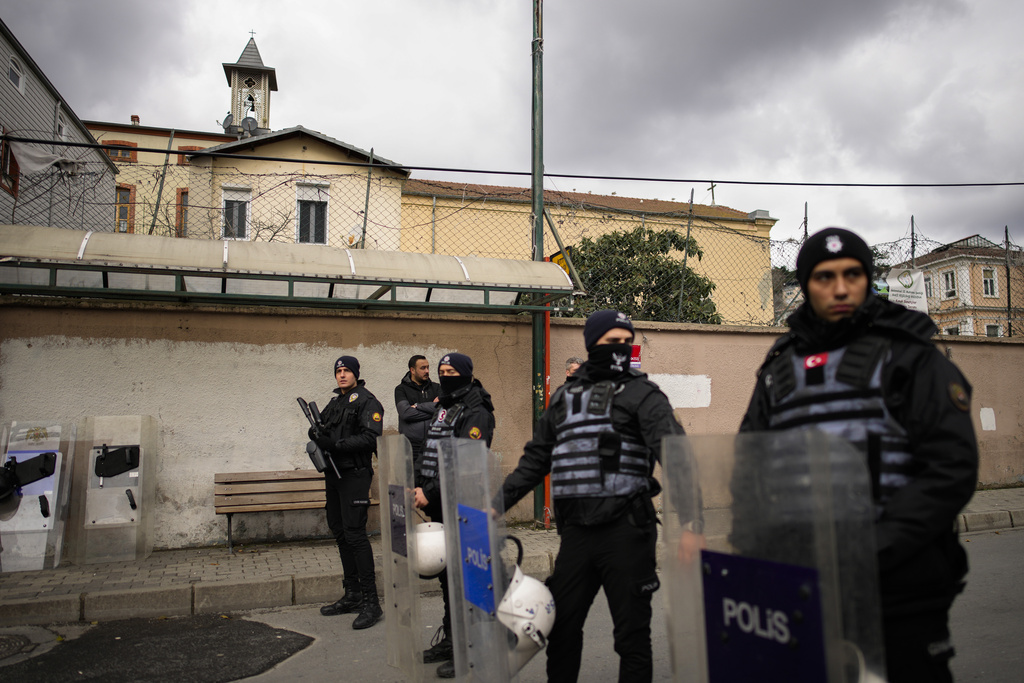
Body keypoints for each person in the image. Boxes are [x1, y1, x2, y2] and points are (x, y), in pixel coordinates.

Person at [739, 228, 978, 683]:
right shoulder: (778, 367)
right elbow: (750, 468)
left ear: (867, 278)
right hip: (804, 584)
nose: (841, 287)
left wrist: (871, 549)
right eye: (825, 277)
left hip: (898, 585)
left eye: (853, 274)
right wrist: (756, 558)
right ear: (806, 285)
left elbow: (950, 469)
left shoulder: (909, 354)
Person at [499, 310, 688, 683]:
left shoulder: (643, 393)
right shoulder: (564, 398)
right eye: (610, 342)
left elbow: (677, 457)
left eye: (626, 341)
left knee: (631, 637)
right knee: (563, 630)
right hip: (577, 536)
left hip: (627, 532)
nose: (620, 348)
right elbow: (535, 462)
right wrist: (493, 506)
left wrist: (693, 522)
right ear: (590, 344)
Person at [412, 352, 495, 679]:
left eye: (452, 372)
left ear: (466, 374)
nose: (446, 376)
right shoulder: (445, 404)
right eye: (442, 371)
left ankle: (471, 646)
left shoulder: (477, 411)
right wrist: (418, 484)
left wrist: (428, 491)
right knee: (449, 580)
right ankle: (452, 639)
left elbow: (463, 462)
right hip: (438, 502)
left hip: (463, 505)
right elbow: (430, 447)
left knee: (465, 580)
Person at [308, 355, 385, 630]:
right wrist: (316, 434)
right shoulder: (334, 402)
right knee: (340, 532)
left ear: (356, 374)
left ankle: (371, 603)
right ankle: (352, 594)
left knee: (355, 535)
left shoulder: (367, 401)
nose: (341, 375)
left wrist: (336, 444)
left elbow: (371, 437)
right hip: (334, 475)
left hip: (354, 474)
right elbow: (324, 431)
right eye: (338, 371)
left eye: (346, 371)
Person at [394, 354, 441, 459]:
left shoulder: (437, 388)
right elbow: (406, 413)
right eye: (423, 368)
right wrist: (432, 409)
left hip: (433, 444)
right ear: (412, 370)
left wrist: (417, 406)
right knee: (410, 475)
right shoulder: (401, 389)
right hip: (410, 446)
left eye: (428, 367)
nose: (427, 371)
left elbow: (442, 410)